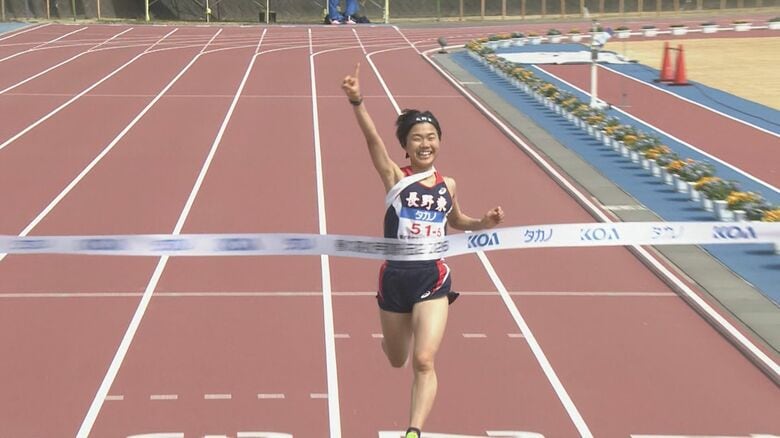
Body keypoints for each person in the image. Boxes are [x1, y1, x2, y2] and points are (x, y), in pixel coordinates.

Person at [341, 63, 505, 438]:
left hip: (433, 276)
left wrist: (484, 222)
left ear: (439, 141)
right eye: (417, 138)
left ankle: (413, 431)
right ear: (406, 146)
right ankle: (391, 341)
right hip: (395, 278)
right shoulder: (396, 178)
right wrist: (357, 102)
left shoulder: (449, 184)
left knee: (424, 359)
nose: (425, 143)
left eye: (431, 137)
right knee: (397, 359)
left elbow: (457, 221)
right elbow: (373, 142)